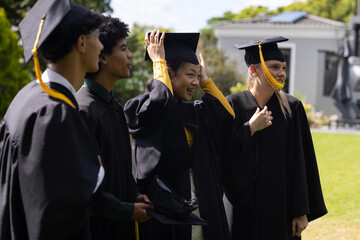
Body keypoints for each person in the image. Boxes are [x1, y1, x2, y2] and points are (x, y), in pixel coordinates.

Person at [0, 0, 105, 239]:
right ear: (81, 42)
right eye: (98, 37)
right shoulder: (54, 113)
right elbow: (57, 212)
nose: (101, 46)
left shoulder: (28, 97)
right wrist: (93, 170)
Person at [124, 30, 235, 240]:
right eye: (190, 75)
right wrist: (158, 62)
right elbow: (162, 105)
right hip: (165, 204)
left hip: (197, 196)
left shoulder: (193, 110)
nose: (195, 82)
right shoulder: (142, 107)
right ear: (169, 73)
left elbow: (226, 115)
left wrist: (206, 80)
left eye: (197, 75)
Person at [224, 36, 328, 240]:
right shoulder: (232, 105)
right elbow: (222, 156)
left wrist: (300, 210)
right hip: (242, 207)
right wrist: (249, 129)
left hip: (280, 207)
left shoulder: (291, 108)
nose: (281, 73)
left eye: (283, 68)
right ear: (254, 70)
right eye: (274, 67)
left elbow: (301, 161)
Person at [76, 16, 153, 239]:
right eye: (123, 49)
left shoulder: (114, 107)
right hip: (98, 228)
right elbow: (87, 186)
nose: (130, 55)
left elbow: (121, 167)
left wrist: (134, 194)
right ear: (103, 57)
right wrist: (126, 210)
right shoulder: (83, 110)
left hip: (122, 225)